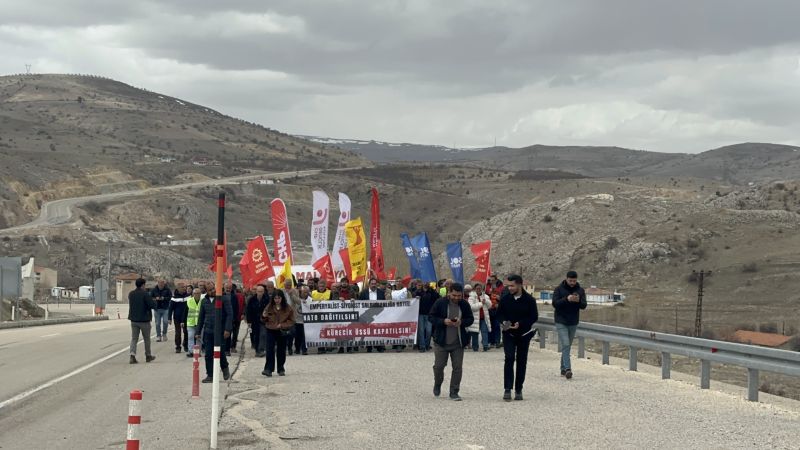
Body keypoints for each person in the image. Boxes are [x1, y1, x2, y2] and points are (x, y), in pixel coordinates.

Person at [497, 274, 539, 401]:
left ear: (520, 284)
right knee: (509, 358)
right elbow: (499, 314)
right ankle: (507, 389)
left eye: (512, 286)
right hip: (508, 334)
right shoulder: (504, 299)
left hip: (523, 335)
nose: (509, 288)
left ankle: (519, 389)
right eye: (508, 286)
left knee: (522, 361)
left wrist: (521, 323)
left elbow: (533, 317)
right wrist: (505, 322)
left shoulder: (530, 300)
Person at [429, 283, 473, 401]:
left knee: (457, 368)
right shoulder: (440, 303)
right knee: (438, 367)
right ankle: (437, 383)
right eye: (454, 295)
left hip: (458, 342)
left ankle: (454, 391)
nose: (457, 298)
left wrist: (461, 322)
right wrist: (443, 321)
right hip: (441, 342)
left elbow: (470, 319)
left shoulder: (464, 304)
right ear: (449, 292)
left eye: (459, 295)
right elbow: (431, 317)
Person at [552, 270, 587, 380]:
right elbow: (555, 304)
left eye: (574, 281)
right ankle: (568, 369)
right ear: (566, 279)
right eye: (570, 280)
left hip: (573, 322)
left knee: (567, 346)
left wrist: (578, 301)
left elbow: (584, 305)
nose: (572, 282)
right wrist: (566, 299)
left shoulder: (580, 290)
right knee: (566, 344)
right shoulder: (558, 289)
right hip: (561, 321)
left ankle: (563, 368)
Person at [196, 282, 232, 382]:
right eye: (210, 290)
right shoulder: (204, 301)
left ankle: (225, 367)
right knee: (208, 354)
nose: (212, 291)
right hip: (208, 331)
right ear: (206, 291)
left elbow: (229, 314)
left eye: (213, 289)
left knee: (220, 352)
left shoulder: (223, 299)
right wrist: (198, 331)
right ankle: (210, 375)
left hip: (220, 331)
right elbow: (201, 317)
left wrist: (227, 329)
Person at [261, 289, 296, 377]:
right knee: (269, 350)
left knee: (281, 350)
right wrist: (264, 316)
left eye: (278, 298)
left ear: (282, 298)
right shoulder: (269, 306)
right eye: (275, 298)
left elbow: (292, 321)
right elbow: (263, 319)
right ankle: (268, 369)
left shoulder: (287, 308)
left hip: (282, 331)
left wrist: (282, 325)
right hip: (270, 329)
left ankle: (281, 368)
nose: (277, 300)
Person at [128, 278, 156, 364]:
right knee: (147, 339)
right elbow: (152, 305)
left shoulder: (131, 294)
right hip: (144, 319)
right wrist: (155, 301)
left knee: (134, 339)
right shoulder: (145, 294)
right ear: (143, 285)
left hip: (134, 319)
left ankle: (132, 355)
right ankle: (148, 356)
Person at [359, 278, 386, 353]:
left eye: (375, 283)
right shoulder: (364, 293)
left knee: (378, 330)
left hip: (378, 314)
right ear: (369, 284)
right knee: (368, 330)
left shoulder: (381, 292)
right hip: (367, 315)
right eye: (372, 283)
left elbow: (384, 303)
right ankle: (369, 346)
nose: (374, 285)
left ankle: (379, 346)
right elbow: (359, 303)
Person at [415, 280, 439, 353]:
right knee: (421, 331)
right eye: (424, 282)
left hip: (429, 314)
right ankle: (422, 346)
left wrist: (433, 289)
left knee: (428, 331)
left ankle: (427, 344)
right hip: (421, 313)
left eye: (427, 282)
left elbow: (437, 297)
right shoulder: (418, 292)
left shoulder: (432, 291)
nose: (426, 283)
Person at [468, 283, 493, 352]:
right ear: (474, 289)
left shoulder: (485, 296)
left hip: (483, 317)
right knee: (475, 333)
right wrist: (481, 303)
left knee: (484, 331)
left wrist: (486, 301)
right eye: (477, 288)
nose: (479, 290)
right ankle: (475, 347)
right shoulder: (471, 297)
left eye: (480, 288)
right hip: (475, 318)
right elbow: (472, 307)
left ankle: (485, 346)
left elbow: (490, 306)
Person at [168, 284, 190, 353]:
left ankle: (186, 345)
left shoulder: (188, 296)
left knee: (186, 332)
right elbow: (170, 309)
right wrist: (169, 318)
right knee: (178, 333)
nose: (184, 288)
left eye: (184, 287)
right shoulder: (174, 298)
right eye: (182, 287)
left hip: (186, 317)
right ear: (178, 289)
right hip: (177, 318)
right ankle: (178, 347)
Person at [486, 274, 504, 348]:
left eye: (493, 280)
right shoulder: (487, 286)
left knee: (496, 326)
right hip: (489, 309)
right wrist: (488, 294)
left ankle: (497, 342)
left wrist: (499, 300)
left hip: (497, 309)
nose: (492, 281)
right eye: (490, 280)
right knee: (489, 326)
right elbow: (484, 296)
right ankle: (490, 341)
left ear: (496, 280)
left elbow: (503, 297)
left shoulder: (501, 287)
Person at [282, 279, 300, 355]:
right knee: (283, 332)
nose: (288, 286)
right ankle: (284, 347)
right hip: (283, 315)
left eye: (289, 285)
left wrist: (291, 295)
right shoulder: (281, 291)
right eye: (287, 285)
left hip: (292, 315)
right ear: (284, 285)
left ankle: (289, 347)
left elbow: (298, 302)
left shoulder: (295, 291)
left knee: (292, 332)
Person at [292, 286, 310, 355]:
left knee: (304, 336)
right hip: (297, 320)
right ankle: (297, 349)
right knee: (297, 336)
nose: (306, 294)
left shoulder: (310, 299)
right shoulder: (296, 299)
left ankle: (304, 350)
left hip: (305, 321)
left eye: (307, 292)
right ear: (301, 292)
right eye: (304, 292)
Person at [185, 287, 203, 357]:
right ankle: (191, 352)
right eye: (195, 293)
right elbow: (185, 312)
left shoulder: (203, 301)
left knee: (199, 338)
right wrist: (182, 321)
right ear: (192, 294)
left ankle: (198, 352)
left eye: (198, 293)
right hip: (191, 322)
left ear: (200, 294)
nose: (196, 295)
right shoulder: (189, 301)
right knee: (190, 337)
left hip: (200, 323)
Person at [230, 284, 246, 354]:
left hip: (235, 317)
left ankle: (231, 346)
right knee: (235, 332)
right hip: (237, 317)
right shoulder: (241, 296)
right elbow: (244, 305)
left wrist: (243, 314)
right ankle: (233, 347)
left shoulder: (238, 296)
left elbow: (244, 305)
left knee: (231, 332)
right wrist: (243, 314)